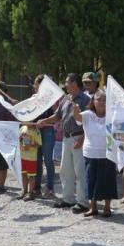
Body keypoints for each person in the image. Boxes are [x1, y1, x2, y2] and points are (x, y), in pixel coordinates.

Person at [38, 74, 91, 212]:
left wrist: (83, 138)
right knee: (65, 171)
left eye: (67, 82)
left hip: (79, 138)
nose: (65, 85)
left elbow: (90, 121)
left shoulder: (86, 100)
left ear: (74, 83)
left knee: (80, 172)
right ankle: (68, 199)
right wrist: (44, 121)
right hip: (66, 139)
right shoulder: (66, 99)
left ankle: (83, 202)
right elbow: (57, 116)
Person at [74, 90, 116, 217]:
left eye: (104, 99)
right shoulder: (88, 114)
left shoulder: (113, 116)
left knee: (108, 181)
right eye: (99, 99)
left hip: (108, 154)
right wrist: (75, 109)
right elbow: (77, 118)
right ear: (93, 101)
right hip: (90, 153)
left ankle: (107, 207)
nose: (102, 102)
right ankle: (93, 207)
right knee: (91, 180)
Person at [32, 75, 58, 199]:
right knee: (37, 161)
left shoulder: (52, 98)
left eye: (35, 84)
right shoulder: (33, 98)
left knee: (48, 160)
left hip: (47, 130)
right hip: (35, 132)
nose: (34, 86)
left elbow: (56, 115)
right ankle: (36, 188)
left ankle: (50, 188)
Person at [17, 121, 42, 200]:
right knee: (23, 174)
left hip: (31, 158)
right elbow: (19, 139)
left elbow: (39, 144)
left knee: (31, 175)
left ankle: (31, 193)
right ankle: (24, 191)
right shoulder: (22, 128)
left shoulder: (36, 131)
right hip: (23, 156)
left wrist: (31, 145)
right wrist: (21, 140)